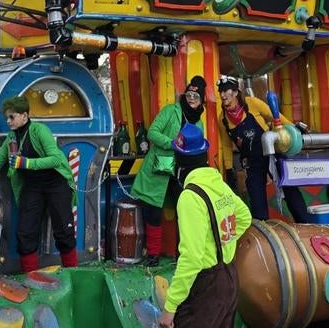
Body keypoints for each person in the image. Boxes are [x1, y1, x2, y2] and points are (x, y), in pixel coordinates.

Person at [158, 123, 251, 328]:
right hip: (229, 279)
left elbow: (191, 258)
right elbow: (244, 216)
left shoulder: (190, 197)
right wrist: (222, 241)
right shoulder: (219, 184)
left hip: (206, 287)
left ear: (181, 161)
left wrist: (170, 307)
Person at [0, 96, 77, 272]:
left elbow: (55, 159)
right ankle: (30, 278)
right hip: (33, 186)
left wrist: (26, 163)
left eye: (11, 117)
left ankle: (73, 274)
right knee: (25, 232)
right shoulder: (11, 138)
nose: (8, 121)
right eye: (7, 117)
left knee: (63, 230)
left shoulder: (40, 130)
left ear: (24, 116)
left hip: (56, 183)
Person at [132, 76, 207, 266]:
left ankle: (181, 255)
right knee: (153, 214)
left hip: (181, 172)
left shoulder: (199, 123)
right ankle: (153, 256)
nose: (191, 99)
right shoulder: (170, 111)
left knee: (184, 212)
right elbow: (152, 133)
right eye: (189, 94)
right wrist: (171, 143)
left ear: (201, 101)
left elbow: (197, 148)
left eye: (196, 97)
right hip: (158, 169)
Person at [216, 77, 311, 223]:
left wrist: (293, 129)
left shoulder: (252, 103)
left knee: (290, 188)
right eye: (220, 91)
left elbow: (276, 116)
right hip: (252, 161)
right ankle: (263, 233)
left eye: (226, 91)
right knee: (256, 197)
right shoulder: (223, 119)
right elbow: (227, 144)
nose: (222, 95)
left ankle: (305, 224)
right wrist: (229, 168)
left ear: (235, 92)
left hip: (273, 153)